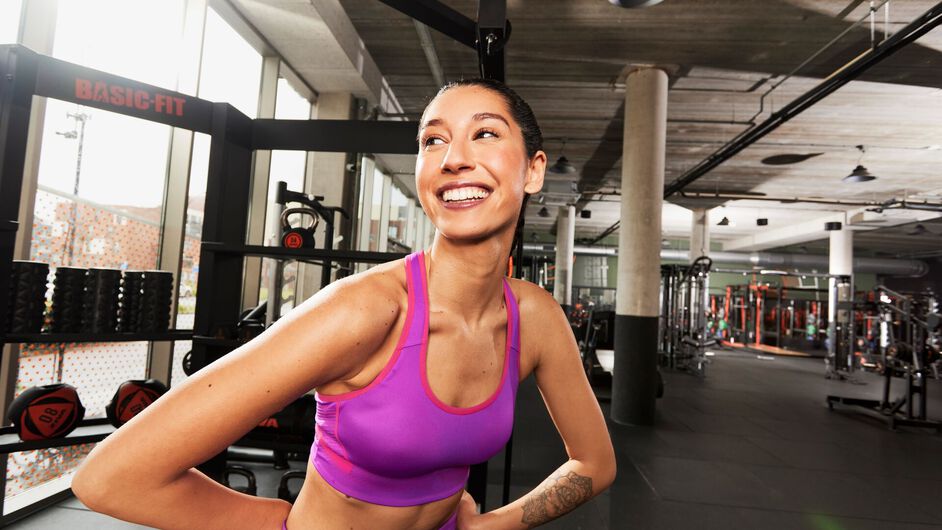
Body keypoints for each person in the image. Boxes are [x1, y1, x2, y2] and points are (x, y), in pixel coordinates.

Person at [72, 78, 616, 530]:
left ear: (534, 170)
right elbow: (110, 478)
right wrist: (277, 524)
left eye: (486, 134)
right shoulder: (365, 311)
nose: (454, 159)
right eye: (433, 141)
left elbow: (595, 464)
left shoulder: (534, 317)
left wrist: (491, 525)